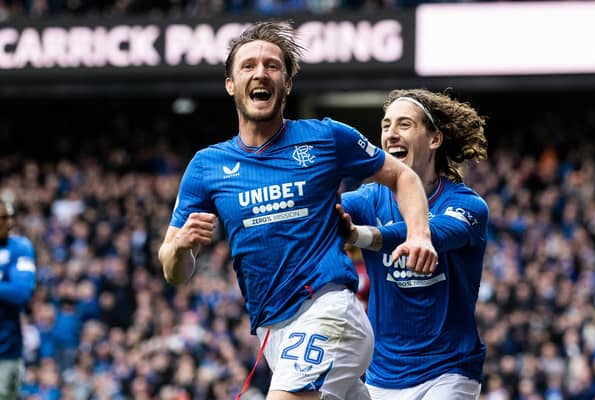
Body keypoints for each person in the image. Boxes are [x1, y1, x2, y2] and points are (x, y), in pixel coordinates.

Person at [158, 21, 437, 400]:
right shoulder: (206, 166)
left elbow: (403, 177)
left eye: (273, 66)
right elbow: (175, 271)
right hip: (273, 330)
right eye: (248, 66)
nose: (261, 73)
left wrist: (419, 234)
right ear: (230, 84)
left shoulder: (325, 137)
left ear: (287, 83)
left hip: (328, 309)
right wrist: (180, 247)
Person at [339, 88, 489, 399]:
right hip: (382, 374)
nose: (391, 134)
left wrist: (359, 235)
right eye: (385, 125)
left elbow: (433, 232)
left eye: (404, 125)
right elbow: (317, 213)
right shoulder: (369, 198)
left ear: (434, 139)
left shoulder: (468, 205)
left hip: (449, 371)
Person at [0, 200, 37, 400]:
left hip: (5, 354)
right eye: (3, 218)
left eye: (10, 216)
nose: (10, 223)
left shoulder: (20, 247)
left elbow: (22, 293)